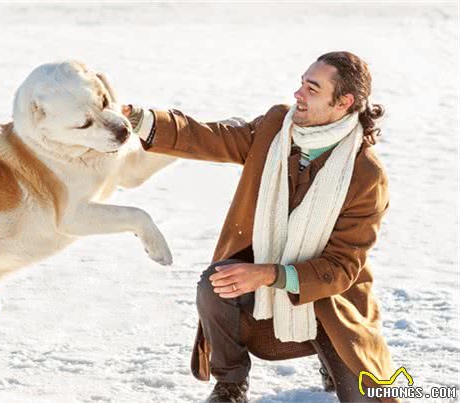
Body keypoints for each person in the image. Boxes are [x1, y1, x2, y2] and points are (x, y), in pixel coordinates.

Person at [123, 51, 398, 403]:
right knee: (217, 283)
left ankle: (332, 361)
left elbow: (341, 268)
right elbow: (211, 136)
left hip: (330, 307)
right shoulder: (275, 128)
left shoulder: (366, 176)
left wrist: (269, 274)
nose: (298, 93)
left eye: (312, 88)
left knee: (367, 399)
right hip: (266, 309)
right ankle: (230, 383)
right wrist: (138, 119)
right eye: (301, 83)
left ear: (343, 102)